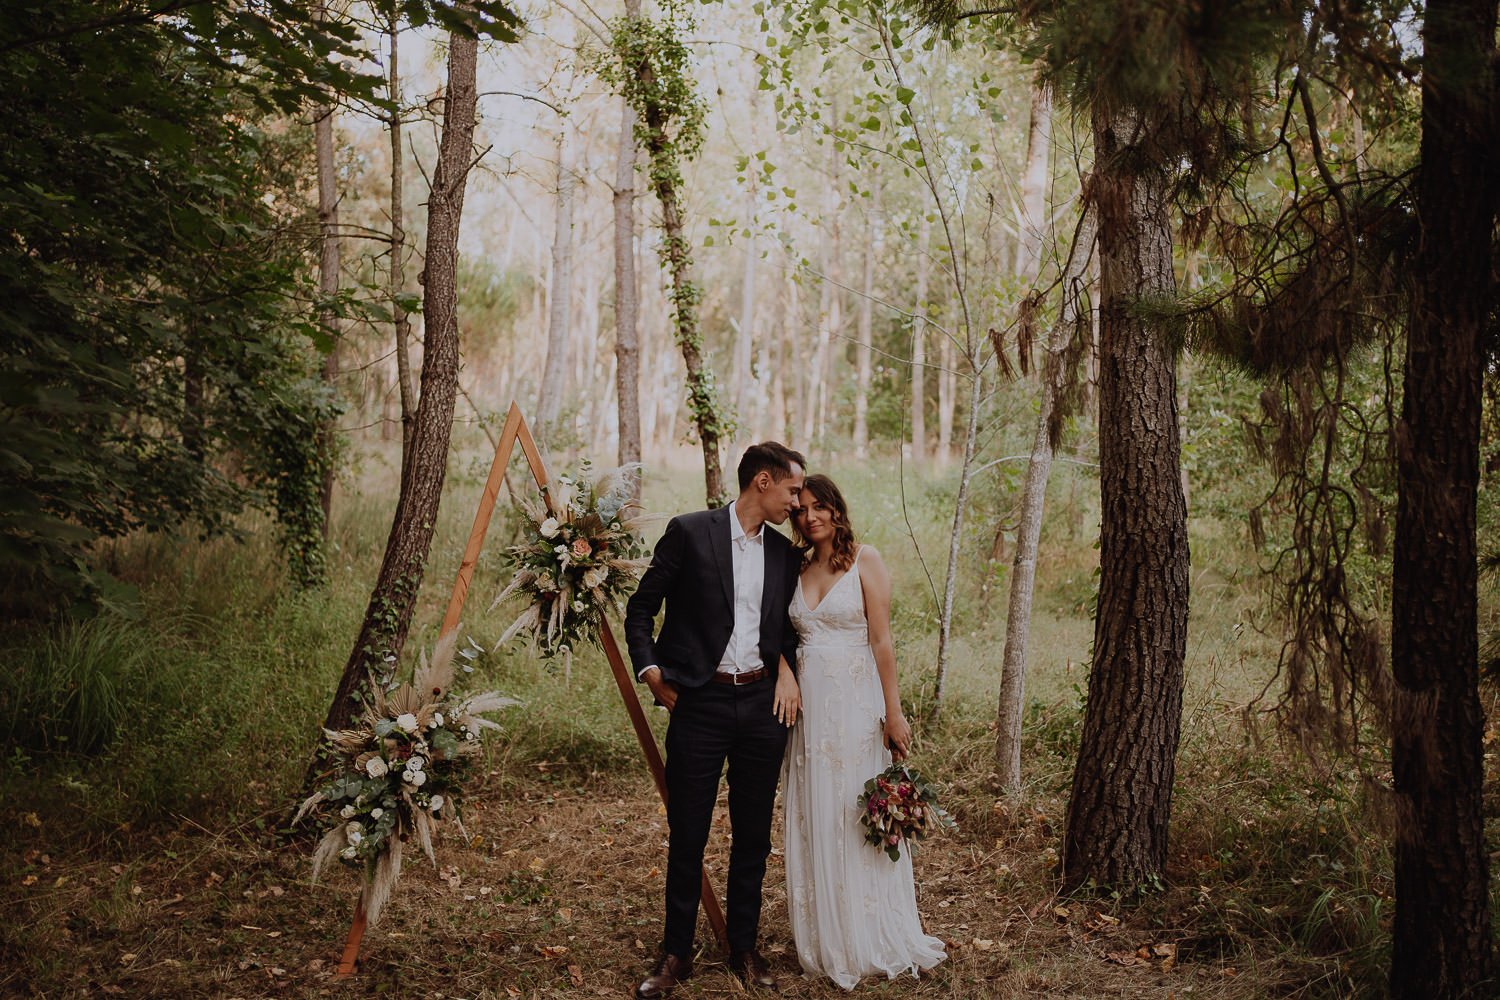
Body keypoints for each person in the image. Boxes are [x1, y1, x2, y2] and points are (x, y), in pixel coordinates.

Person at [624, 442, 807, 999]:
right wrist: (653, 674)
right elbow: (640, 610)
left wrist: (785, 669)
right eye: (793, 491)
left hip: (761, 709)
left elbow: (788, 627)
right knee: (689, 832)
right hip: (698, 704)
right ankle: (675, 951)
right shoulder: (689, 531)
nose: (797, 503)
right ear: (763, 481)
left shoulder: (784, 554)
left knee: (753, 834)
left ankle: (743, 948)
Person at [782, 474, 947, 989]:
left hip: (856, 709)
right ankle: (827, 934)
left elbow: (882, 642)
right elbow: (779, 638)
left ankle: (870, 929)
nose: (810, 517)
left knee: (855, 812)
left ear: (836, 508)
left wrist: (893, 713)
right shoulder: (795, 565)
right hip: (809, 715)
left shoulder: (864, 560)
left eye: (818, 507)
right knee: (819, 813)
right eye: (801, 510)